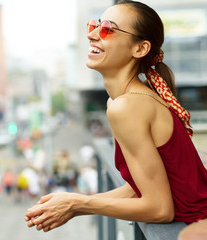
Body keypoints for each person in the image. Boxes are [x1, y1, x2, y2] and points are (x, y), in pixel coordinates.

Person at [25, 0, 207, 233]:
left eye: (107, 29)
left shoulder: (128, 106)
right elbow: (139, 187)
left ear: (140, 49)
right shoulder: (124, 101)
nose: (92, 34)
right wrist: (74, 206)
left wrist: (77, 202)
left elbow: (160, 208)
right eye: (94, 25)